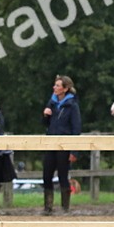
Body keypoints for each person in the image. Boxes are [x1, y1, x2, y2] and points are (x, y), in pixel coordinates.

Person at [41, 74, 81, 215]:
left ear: (65, 89)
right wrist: (45, 115)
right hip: (50, 143)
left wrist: (74, 151)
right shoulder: (51, 103)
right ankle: (48, 207)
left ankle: (65, 208)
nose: (54, 87)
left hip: (65, 145)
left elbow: (76, 129)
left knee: (63, 176)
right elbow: (46, 125)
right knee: (46, 175)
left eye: (58, 85)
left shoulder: (72, 106)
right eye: (55, 85)